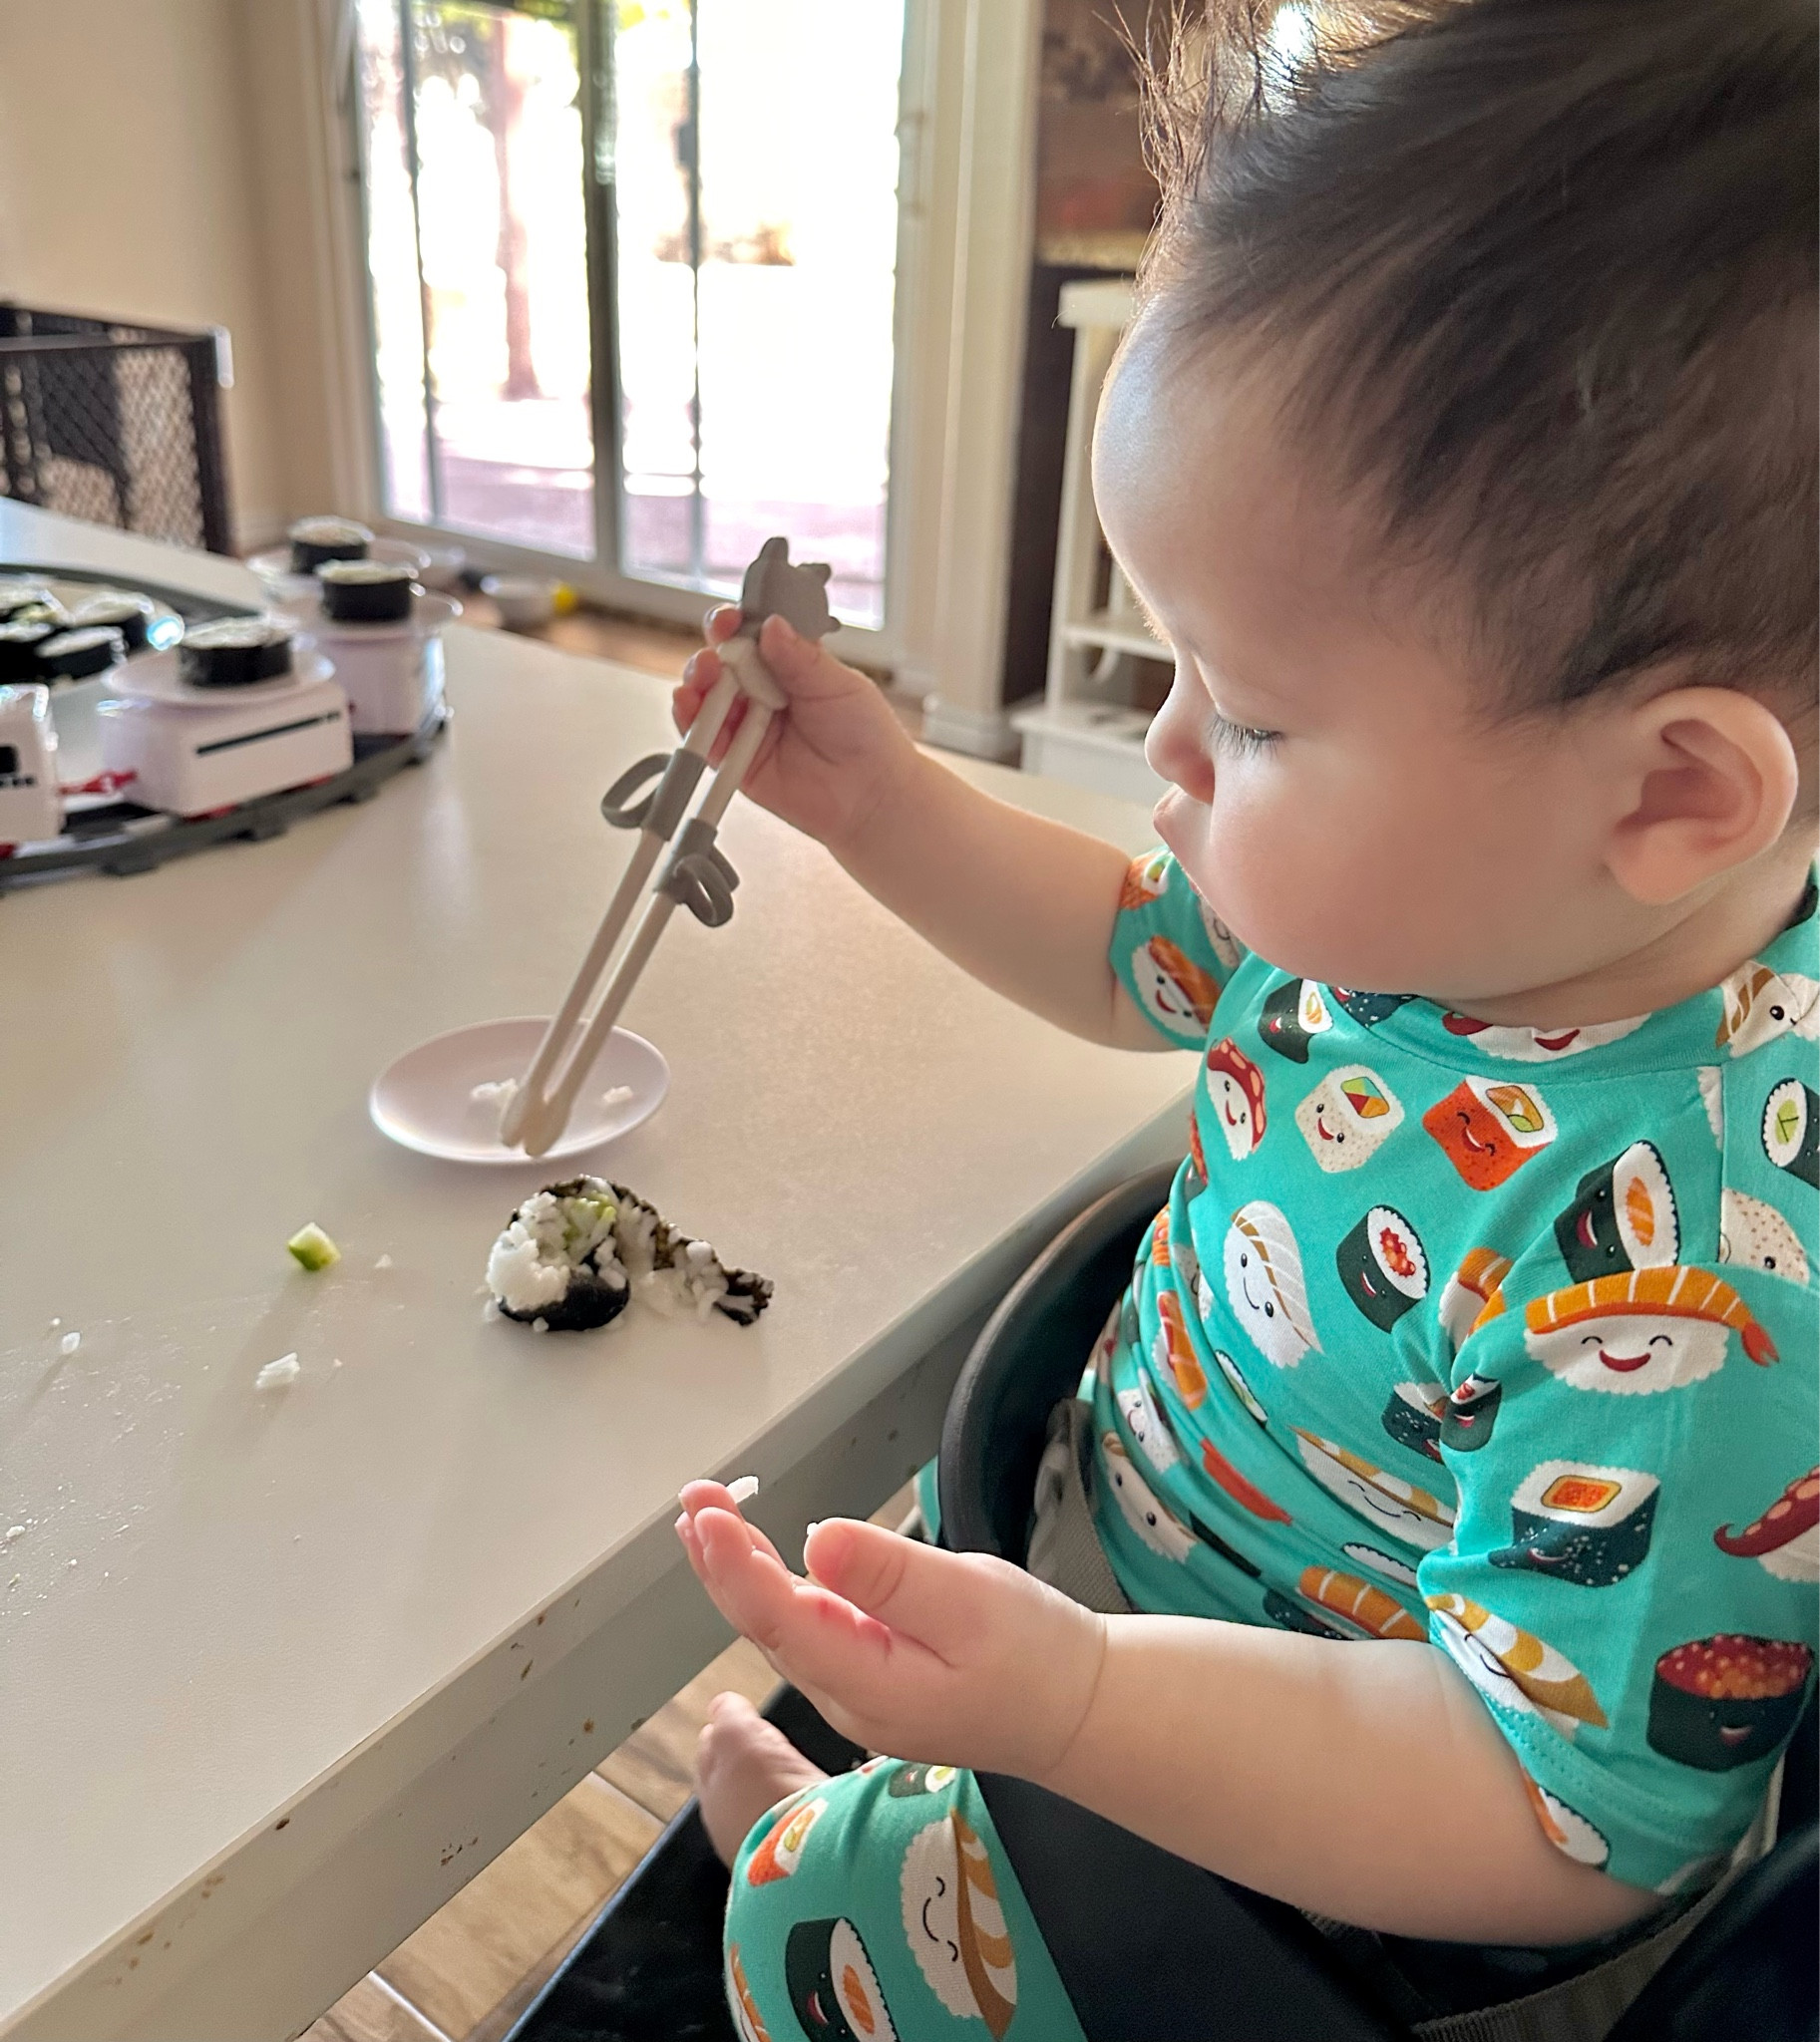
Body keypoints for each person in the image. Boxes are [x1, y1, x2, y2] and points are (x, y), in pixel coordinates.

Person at [672, 2, 1818, 2033]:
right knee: (917, 1664)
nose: (1167, 752)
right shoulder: (1455, 898)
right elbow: (1135, 949)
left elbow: (1562, 1816)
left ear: (1669, 795)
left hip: (1351, 1878)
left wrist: (1093, 1704)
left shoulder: (1693, 1290)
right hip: (1129, 1550)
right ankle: (907, 1787)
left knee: (845, 1932)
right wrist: (876, 799)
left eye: (1257, 712)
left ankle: (817, 1851)